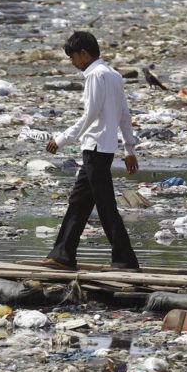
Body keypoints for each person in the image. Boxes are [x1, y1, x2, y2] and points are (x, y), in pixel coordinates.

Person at [42, 31, 140, 272]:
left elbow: (90, 114)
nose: (73, 63)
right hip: (102, 148)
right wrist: (128, 148)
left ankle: (125, 260)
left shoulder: (95, 75)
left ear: (83, 54)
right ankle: (63, 254)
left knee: (105, 206)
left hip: (95, 146)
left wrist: (62, 139)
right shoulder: (114, 75)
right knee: (79, 202)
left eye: (73, 57)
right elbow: (125, 116)